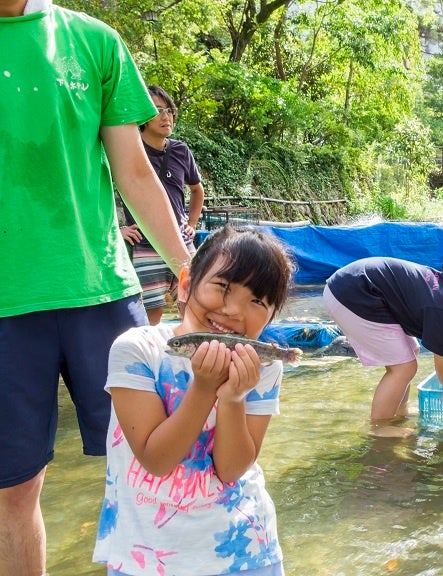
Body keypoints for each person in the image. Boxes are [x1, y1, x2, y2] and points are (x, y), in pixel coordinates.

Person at [0, 2, 192, 574]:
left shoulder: (94, 41)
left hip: (103, 293)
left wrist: (190, 271)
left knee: (158, 464)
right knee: (15, 489)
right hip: (7, 307)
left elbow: (134, 171)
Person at [92, 226, 293, 575]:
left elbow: (231, 470)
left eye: (257, 301)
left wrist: (233, 399)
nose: (233, 310)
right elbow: (156, 459)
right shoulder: (138, 350)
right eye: (223, 287)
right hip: (145, 556)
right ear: (185, 284)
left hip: (245, 553)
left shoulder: (264, 367)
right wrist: (203, 388)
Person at [323, 257, 443, 435]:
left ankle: (399, 411)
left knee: (410, 354)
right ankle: (379, 427)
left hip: (356, 286)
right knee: (404, 367)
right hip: (353, 291)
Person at [121, 85, 206, 325]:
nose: (165, 116)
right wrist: (119, 229)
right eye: (158, 111)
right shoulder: (129, 151)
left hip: (182, 240)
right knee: (152, 313)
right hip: (146, 243)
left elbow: (197, 190)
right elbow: (104, 188)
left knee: (194, 302)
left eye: (168, 110)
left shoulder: (181, 150)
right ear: (143, 118)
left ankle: (193, 358)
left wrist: (192, 223)